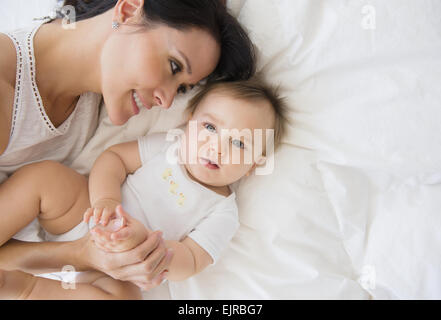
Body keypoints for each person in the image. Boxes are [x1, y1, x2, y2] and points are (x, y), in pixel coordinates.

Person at [0, 0, 255, 291]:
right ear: (129, 10)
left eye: (182, 88)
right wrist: (82, 254)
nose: (168, 101)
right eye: (174, 66)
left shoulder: (96, 94)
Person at [0, 76, 287, 299]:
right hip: (87, 214)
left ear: (252, 166)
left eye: (239, 144)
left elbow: (192, 260)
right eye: (210, 128)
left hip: (118, 269)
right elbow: (114, 159)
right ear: (189, 123)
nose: (217, 147)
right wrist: (106, 199)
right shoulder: (168, 147)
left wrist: (150, 248)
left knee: (125, 298)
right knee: (48, 178)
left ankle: (25, 289)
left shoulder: (223, 212)